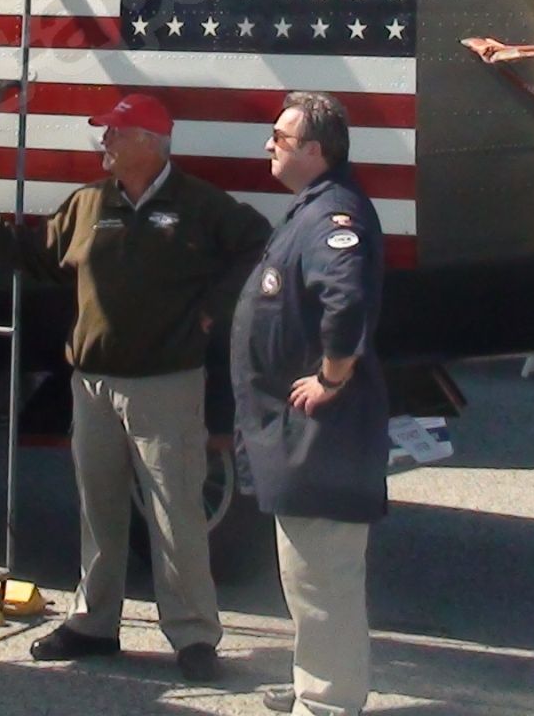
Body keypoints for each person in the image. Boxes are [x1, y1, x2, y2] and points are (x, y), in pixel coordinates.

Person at [0, 93, 270, 683]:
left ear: (150, 141)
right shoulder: (90, 204)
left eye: (115, 134)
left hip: (166, 385)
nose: (104, 144)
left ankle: (193, 635)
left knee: (176, 516)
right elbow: (34, 256)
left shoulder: (199, 205)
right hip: (92, 385)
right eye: (104, 135)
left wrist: (215, 313)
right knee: (99, 509)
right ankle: (95, 623)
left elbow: (257, 244)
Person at [232, 92, 390, 716]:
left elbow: (344, 302)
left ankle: (326, 704)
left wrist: (332, 376)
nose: (269, 144)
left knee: (323, 581)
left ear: (314, 150)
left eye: (280, 136)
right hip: (299, 440)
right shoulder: (311, 210)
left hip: (323, 438)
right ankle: (314, 685)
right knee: (306, 581)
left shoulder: (333, 218)